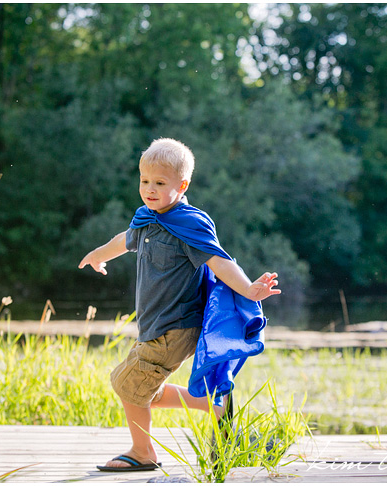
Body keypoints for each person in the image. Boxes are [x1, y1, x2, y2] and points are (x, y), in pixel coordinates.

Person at [78, 138, 281, 472]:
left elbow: (219, 261)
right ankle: (213, 407)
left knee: (129, 386)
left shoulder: (190, 223)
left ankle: (143, 453)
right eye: (145, 181)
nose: (150, 189)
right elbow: (125, 239)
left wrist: (248, 288)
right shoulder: (146, 218)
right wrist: (99, 254)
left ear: (182, 185)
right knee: (141, 387)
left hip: (176, 327)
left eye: (160, 183)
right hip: (155, 327)